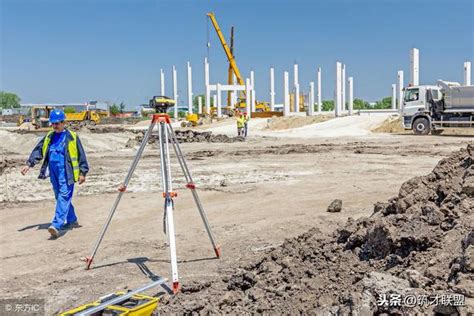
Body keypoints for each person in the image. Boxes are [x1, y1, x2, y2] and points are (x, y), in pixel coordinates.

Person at [21, 109, 89, 238]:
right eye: (53, 124)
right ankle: (72, 219)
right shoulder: (49, 137)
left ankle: (56, 225)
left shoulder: (72, 137)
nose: (55, 126)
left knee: (63, 196)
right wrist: (28, 164)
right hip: (54, 173)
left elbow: (81, 156)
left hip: (67, 172)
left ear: (64, 123)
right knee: (60, 197)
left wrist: (83, 172)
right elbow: (39, 151)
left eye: (57, 123)